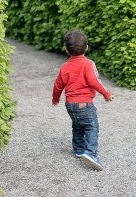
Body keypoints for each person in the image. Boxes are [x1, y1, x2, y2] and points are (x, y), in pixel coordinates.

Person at [52, 30, 113, 171]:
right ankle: (90, 153)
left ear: (67, 50)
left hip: (70, 104)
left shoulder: (65, 67)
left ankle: (79, 149)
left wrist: (55, 99)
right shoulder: (88, 64)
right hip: (84, 103)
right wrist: (106, 93)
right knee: (92, 126)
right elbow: (94, 81)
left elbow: (57, 85)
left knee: (77, 124)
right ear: (87, 47)